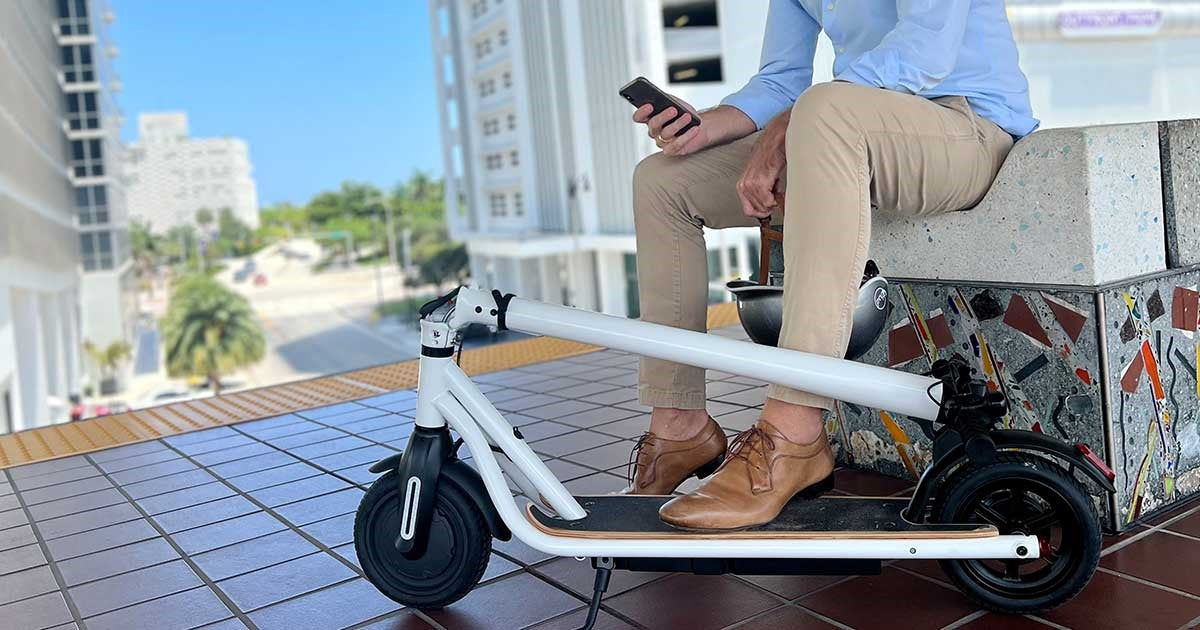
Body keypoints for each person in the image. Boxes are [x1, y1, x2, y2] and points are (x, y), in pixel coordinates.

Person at [625, 0, 1037, 530]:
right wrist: (704, 127)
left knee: (824, 111)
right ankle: (679, 427)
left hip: (969, 128)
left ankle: (795, 433)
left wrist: (795, 122)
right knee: (663, 180)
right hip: (847, 130)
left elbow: (925, 51)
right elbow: (780, 79)